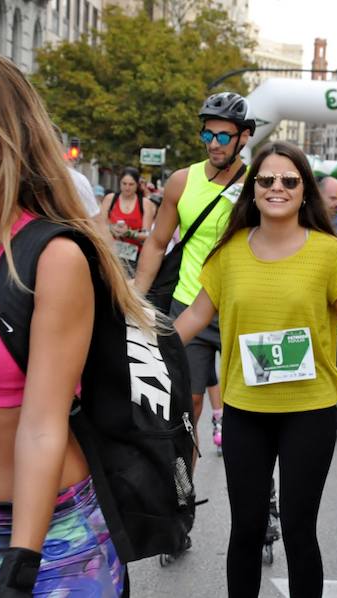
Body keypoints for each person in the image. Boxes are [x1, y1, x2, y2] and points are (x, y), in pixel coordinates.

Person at [0, 46, 138, 596]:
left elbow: (43, 426)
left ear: (4, 133)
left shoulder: (51, 257)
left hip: (53, 540)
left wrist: (22, 563)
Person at [173, 142, 337, 598]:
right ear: (253, 189)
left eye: (289, 181)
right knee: (246, 528)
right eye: (266, 180)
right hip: (245, 410)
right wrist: (139, 352)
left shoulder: (327, 252)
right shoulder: (228, 252)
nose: (277, 188)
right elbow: (193, 317)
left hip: (309, 410)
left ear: (304, 190)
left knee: (298, 527)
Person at [134, 92, 252, 461]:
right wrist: (135, 298)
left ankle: (263, 497)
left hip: (244, 310)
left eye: (223, 137)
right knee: (189, 404)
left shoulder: (259, 186)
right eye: (207, 135)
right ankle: (180, 488)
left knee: (250, 411)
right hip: (189, 305)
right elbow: (156, 243)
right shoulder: (182, 181)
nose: (213, 144)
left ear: (243, 136)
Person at [101, 166, 156, 275]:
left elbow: (147, 235)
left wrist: (129, 233)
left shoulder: (145, 203)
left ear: (137, 185)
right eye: (124, 184)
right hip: (111, 254)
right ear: (119, 183)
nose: (127, 188)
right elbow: (99, 226)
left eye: (131, 184)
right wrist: (112, 229)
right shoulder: (110, 199)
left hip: (135, 257)